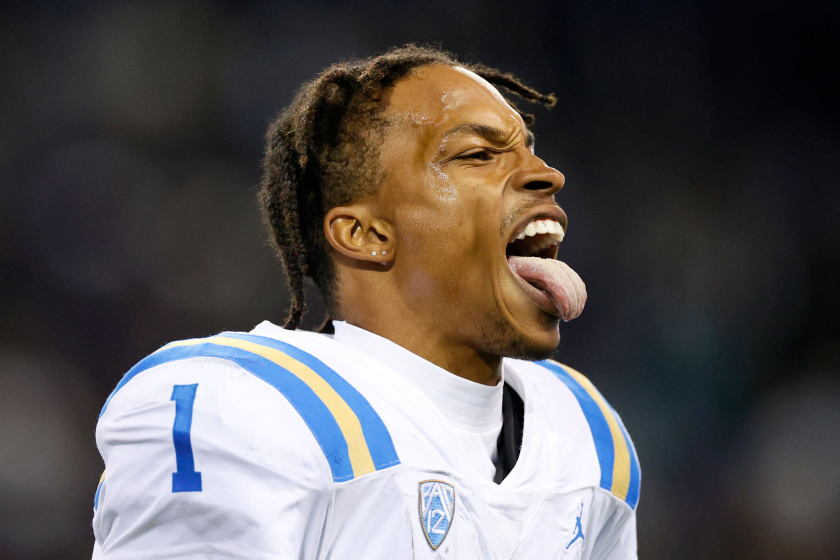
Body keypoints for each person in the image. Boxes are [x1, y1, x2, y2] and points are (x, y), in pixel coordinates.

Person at [91, 45, 640, 559]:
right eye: (478, 154)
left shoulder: (586, 435)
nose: (547, 175)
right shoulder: (244, 410)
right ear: (365, 234)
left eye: (530, 150)